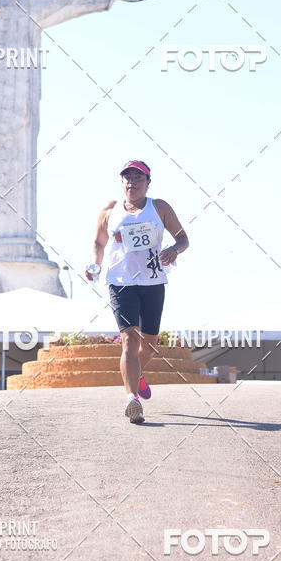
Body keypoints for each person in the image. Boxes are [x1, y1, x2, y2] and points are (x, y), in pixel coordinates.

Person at [86, 160, 189, 423]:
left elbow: (183, 238)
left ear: (148, 182)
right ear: (122, 183)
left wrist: (173, 250)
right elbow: (99, 242)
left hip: (153, 280)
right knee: (129, 340)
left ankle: (138, 373)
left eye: (138, 177)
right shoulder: (110, 210)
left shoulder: (159, 208)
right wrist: (95, 266)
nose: (132, 182)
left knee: (150, 344)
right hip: (121, 282)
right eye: (127, 178)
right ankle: (133, 400)